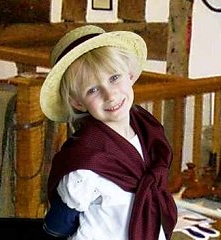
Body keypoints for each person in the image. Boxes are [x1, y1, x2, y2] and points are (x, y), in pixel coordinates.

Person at [39, 25, 177, 240]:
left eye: (114, 78)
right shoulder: (86, 160)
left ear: (129, 74)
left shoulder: (147, 129)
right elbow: (58, 225)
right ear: (78, 102)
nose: (110, 95)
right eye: (92, 90)